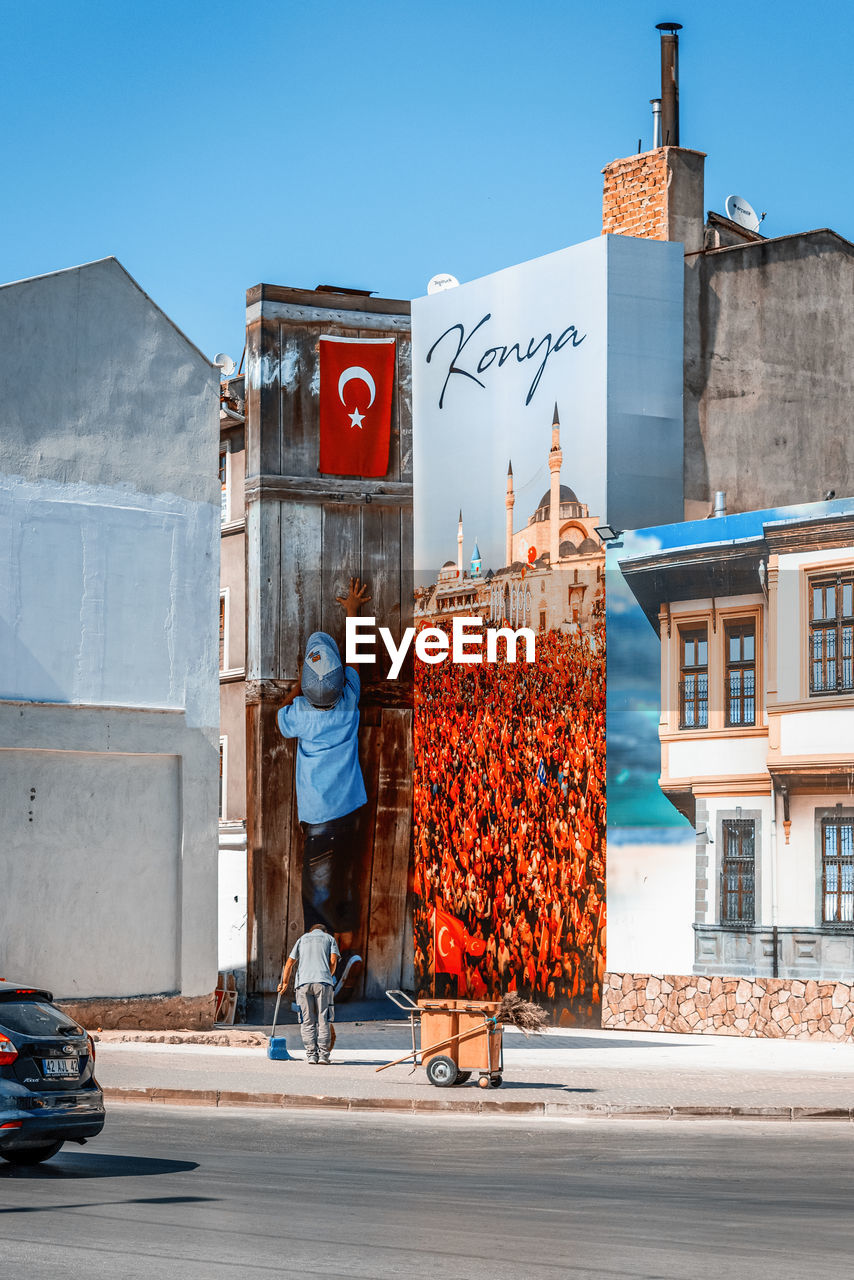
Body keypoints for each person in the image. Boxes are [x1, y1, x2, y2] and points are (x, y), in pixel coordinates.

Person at [277, 578, 370, 978]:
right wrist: (353, 613)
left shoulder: (300, 713)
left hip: (319, 821)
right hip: (352, 811)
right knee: (346, 886)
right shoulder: (349, 699)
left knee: (317, 900)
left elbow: (281, 718)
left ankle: (323, 971)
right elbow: (357, 659)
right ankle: (348, 956)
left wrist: (298, 690)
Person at [279, 923, 340, 1064]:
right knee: (323, 1019)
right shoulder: (329, 939)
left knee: (307, 1021)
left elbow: (289, 963)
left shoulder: (302, 939)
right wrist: (327, 975)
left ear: (310, 931)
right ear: (324, 931)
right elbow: (333, 960)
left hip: (303, 984)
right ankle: (324, 1056)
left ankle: (311, 1055)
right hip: (323, 983)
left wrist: (285, 983)